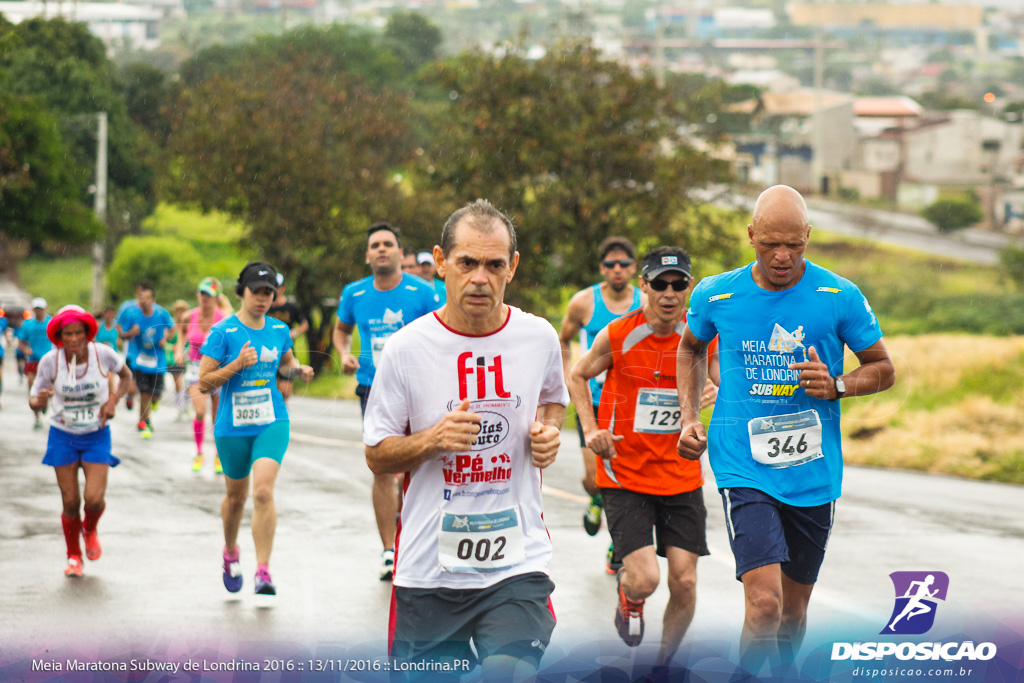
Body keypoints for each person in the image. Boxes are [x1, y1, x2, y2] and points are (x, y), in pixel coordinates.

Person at [676, 185, 895, 671]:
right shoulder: (718, 293)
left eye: (794, 246)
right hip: (743, 465)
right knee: (765, 606)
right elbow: (690, 348)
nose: (781, 257)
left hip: (813, 474)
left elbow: (883, 368)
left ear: (808, 237)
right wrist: (690, 417)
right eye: (769, 244)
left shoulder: (839, 296)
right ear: (751, 234)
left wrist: (838, 384)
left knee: (793, 617)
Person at [363, 200, 567, 679]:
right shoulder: (406, 349)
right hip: (429, 571)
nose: (480, 278)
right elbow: (376, 456)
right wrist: (431, 440)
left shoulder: (538, 337)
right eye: (467, 263)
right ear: (440, 262)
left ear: (512, 267)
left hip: (515, 563)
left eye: (494, 265)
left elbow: (554, 398)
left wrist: (549, 433)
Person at [568, 247, 718, 664]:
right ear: (643, 286)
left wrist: (716, 392)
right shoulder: (619, 334)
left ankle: (662, 665)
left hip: (681, 475)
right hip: (625, 474)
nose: (669, 293)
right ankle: (629, 596)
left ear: (689, 288)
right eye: (659, 284)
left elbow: (727, 382)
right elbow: (578, 375)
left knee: (685, 582)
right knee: (647, 579)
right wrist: (592, 429)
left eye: (679, 284)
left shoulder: (703, 337)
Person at [198, 261, 314, 596]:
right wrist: (235, 365)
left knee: (262, 491)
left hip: (271, 420)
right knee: (236, 499)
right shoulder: (223, 332)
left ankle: (263, 571)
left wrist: (298, 371)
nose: (263, 298)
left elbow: (286, 364)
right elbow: (204, 383)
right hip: (232, 427)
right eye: (256, 292)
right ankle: (230, 550)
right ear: (242, 292)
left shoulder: (278, 330)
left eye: (269, 293)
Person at [332, 222, 437, 581]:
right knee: (382, 467)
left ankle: (419, 542)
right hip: (373, 389)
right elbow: (341, 329)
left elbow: (443, 332)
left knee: (419, 466)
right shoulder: (354, 293)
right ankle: (390, 551)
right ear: (367, 255)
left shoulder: (422, 292)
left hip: (419, 391)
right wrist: (344, 353)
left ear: (399, 253)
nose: (380, 249)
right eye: (374, 244)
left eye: (387, 244)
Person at [558, 236, 644, 573]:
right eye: (611, 264)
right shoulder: (583, 303)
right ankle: (595, 498)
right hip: (592, 404)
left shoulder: (645, 301)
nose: (618, 269)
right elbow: (563, 339)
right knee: (595, 479)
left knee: (628, 478)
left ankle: (618, 546)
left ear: (634, 268)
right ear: (602, 269)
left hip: (631, 404)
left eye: (624, 263)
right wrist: (568, 376)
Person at [28, 306, 132, 577]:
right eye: (67, 334)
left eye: (78, 333)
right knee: (71, 501)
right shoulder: (51, 361)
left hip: (96, 434)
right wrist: (38, 402)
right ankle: (73, 556)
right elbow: (34, 398)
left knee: (94, 499)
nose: (73, 339)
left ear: (87, 333)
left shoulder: (104, 355)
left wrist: (112, 400)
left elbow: (127, 376)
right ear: (59, 336)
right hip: (62, 435)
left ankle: (91, 528)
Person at [176, 277, 228, 473]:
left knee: (217, 417)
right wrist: (179, 350)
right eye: (202, 294)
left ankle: (218, 455)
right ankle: (199, 452)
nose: (204, 298)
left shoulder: (223, 318)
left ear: (216, 298)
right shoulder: (190, 316)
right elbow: (181, 334)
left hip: (216, 368)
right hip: (195, 368)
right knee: (199, 412)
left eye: (209, 295)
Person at [118, 283, 174, 439]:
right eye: (142, 298)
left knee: (155, 395)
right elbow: (122, 335)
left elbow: (172, 329)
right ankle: (144, 421)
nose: (144, 301)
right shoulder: (133, 315)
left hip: (158, 359)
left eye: (148, 298)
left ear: (153, 300)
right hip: (139, 359)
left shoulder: (162, 313)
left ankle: (151, 408)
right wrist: (131, 333)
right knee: (145, 393)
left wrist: (166, 338)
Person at [267, 272, 310, 402]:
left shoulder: (291, 307)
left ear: (283, 288)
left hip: (286, 351)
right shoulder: (265, 307)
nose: (275, 290)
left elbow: (304, 324)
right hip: (268, 352)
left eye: (278, 287)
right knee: (269, 388)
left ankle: (282, 407)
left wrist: (294, 333)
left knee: (285, 391)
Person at [17, 297, 53, 429]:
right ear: (33, 310)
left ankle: (45, 403)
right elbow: (20, 342)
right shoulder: (28, 324)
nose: (39, 312)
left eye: (41, 309)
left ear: (45, 309)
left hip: (48, 360)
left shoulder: (51, 322)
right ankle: (36, 414)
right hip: (33, 359)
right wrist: (25, 349)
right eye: (36, 309)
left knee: (48, 387)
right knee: (32, 385)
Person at [167, 300, 191, 420]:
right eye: (178, 311)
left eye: (182, 311)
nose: (180, 314)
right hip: (173, 359)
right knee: (177, 383)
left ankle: (186, 405)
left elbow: (192, 343)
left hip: (187, 358)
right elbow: (165, 343)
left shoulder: (190, 326)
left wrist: (184, 349)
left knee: (188, 383)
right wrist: (173, 347)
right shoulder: (172, 327)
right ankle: (179, 407)